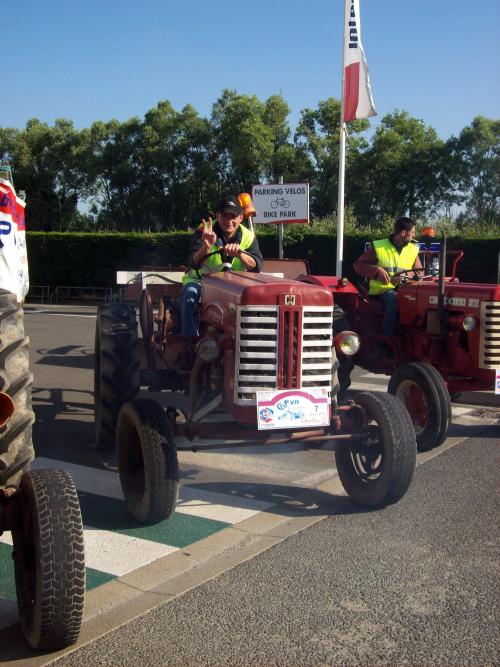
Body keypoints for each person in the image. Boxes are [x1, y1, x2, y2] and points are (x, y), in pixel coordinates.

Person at [180, 194, 263, 340]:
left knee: (258, 302)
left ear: (240, 218)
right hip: (201, 282)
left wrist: (240, 254)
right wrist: (206, 247)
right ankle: (190, 342)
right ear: (218, 216)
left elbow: (257, 265)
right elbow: (192, 262)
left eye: (233, 216)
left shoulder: (248, 237)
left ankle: (250, 341)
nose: (229, 221)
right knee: (190, 296)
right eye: (225, 216)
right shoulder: (204, 231)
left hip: (235, 287)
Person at [353, 217, 422, 337]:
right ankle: (387, 337)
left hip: (405, 290)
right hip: (382, 291)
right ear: (403, 233)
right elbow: (358, 265)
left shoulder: (413, 249)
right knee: (396, 299)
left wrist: (408, 275)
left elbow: (419, 273)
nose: (414, 235)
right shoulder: (379, 247)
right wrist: (377, 270)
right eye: (412, 232)